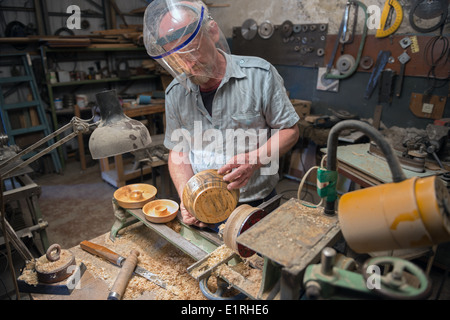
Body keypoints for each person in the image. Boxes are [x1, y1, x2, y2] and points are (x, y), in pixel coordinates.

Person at [143, 0, 300, 228]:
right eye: (177, 60)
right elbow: (178, 153)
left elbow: (290, 131)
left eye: (192, 51)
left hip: (256, 204)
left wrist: (254, 160)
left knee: (257, 262)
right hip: (205, 208)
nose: (188, 66)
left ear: (213, 32)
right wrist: (188, 199)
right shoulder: (175, 93)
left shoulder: (260, 75)